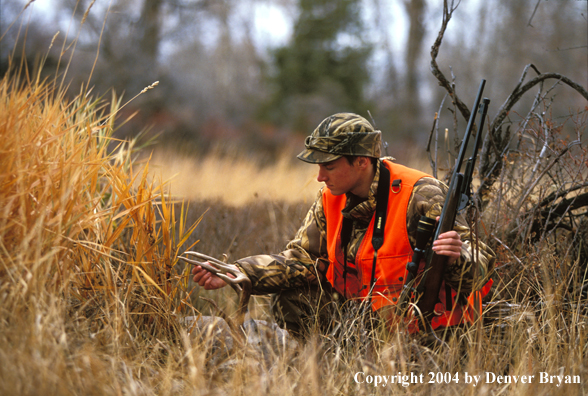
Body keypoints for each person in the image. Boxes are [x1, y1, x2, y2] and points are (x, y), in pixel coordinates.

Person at [192, 113, 495, 337]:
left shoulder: (421, 194)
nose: (320, 176)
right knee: (291, 297)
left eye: (329, 166)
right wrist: (238, 272)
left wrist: (458, 256)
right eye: (319, 166)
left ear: (362, 161)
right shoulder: (331, 197)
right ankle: (318, 373)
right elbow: (302, 261)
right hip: (363, 322)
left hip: (431, 325)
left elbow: (481, 261)